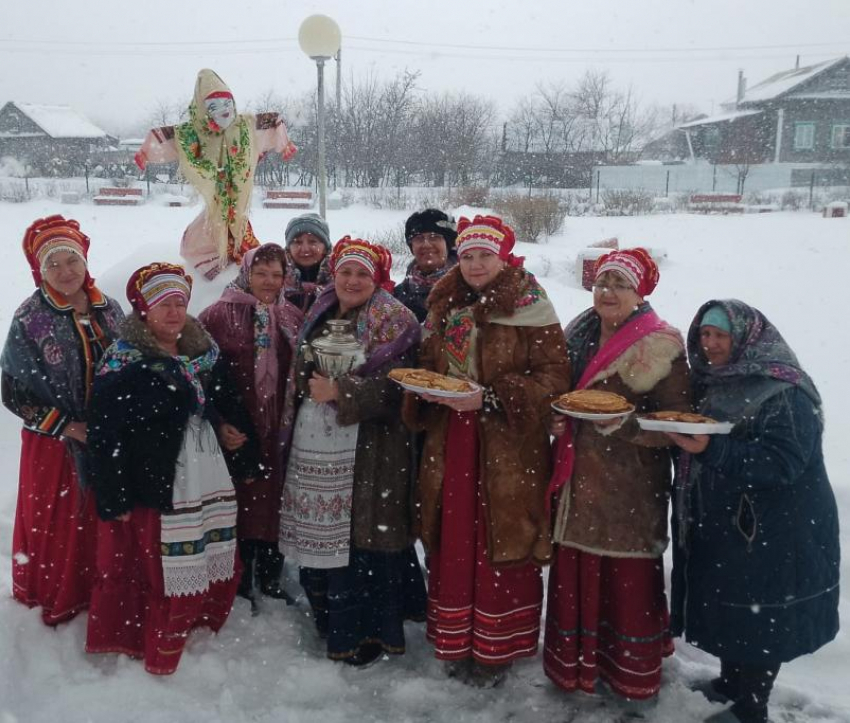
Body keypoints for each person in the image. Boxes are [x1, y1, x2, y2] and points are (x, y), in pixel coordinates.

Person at [403, 215, 569, 687]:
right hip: (451, 438)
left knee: (501, 538)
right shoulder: (444, 302)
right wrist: (426, 389)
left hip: (509, 446)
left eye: (485, 256)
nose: (475, 264)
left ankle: (498, 646)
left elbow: (555, 377)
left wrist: (493, 397)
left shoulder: (531, 304)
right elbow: (426, 362)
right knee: (454, 537)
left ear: (503, 258)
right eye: (469, 255)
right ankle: (455, 638)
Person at [667, 300, 840, 723]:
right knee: (734, 606)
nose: (710, 345)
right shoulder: (712, 380)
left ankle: (751, 706)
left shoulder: (783, 389)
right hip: (729, 520)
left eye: (720, 336)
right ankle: (730, 683)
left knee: (762, 618)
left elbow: (784, 462)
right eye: (705, 335)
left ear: (746, 337)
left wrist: (714, 448)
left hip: (777, 526)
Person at [85, 263, 259, 675]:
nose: (174, 312)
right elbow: (105, 434)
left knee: (204, 548)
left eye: (180, 302)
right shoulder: (124, 363)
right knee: (162, 564)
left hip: (205, 470)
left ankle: (199, 620)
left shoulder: (199, 353)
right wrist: (114, 494)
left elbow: (201, 402)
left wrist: (222, 425)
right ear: (144, 310)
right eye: (163, 304)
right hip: (160, 476)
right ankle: (154, 643)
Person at [543, 248, 691, 706]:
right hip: (577, 477)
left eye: (620, 285)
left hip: (628, 485)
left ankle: (630, 674)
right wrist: (556, 416)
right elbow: (565, 392)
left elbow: (676, 422)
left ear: (640, 291)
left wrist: (623, 426)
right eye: (602, 283)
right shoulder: (579, 331)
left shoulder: (661, 345)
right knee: (576, 570)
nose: (607, 292)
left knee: (625, 578)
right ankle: (575, 670)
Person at [279, 237, 427, 667]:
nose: (352, 280)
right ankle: (329, 619)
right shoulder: (323, 309)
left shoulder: (395, 321)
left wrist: (343, 391)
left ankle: (364, 634)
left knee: (361, 543)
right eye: (345, 271)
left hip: (375, 451)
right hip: (320, 446)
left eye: (363, 273)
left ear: (378, 278)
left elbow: (404, 387)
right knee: (327, 534)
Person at [1, 215, 124, 625]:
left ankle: (97, 591)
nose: (65, 272)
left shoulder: (110, 309)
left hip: (106, 437)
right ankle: (59, 593)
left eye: (71, 260)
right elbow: (12, 390)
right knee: (58, 523)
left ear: (85, 260)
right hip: (54, 444)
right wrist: (67, 426)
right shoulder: (30, 318)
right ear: (40, 270)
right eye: (53, 264)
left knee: (100, 518)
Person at [199, 243, 304, 609]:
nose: (269, 282)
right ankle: (240, 577)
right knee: (241, 498)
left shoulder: (291, 315)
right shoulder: (216, 315)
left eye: (277, 274)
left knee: (275, 497)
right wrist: (219, 421)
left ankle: (271, 576)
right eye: (261, 273)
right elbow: (199, 375)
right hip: (239, 425)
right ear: (246, 273)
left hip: (280, 424)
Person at [135, 69, 298, 279]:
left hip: (236, 193)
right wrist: (146, 152)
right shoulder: (193, 133)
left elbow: (272, 121)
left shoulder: (245, 126)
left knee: (236, 222)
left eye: (227, 104)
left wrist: (283, 143)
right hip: (217, 196)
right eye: (213, 106)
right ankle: (216, 259)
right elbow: (167, 137)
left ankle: (236, 252)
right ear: (202, 111)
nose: (224, 111)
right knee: (210, 228)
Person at [393, 208, 458, 323]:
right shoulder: (398, 297)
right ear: (412, 246)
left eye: (434, 237)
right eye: (419, 238)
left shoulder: (466, 289)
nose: (426, 244)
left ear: (448, 244)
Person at [283, 213, 332, 314]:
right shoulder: (276, 280)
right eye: (298, 242)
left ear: (325, 248)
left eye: (312, 242)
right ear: (288, 249)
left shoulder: (339, 281)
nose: (305, 249)